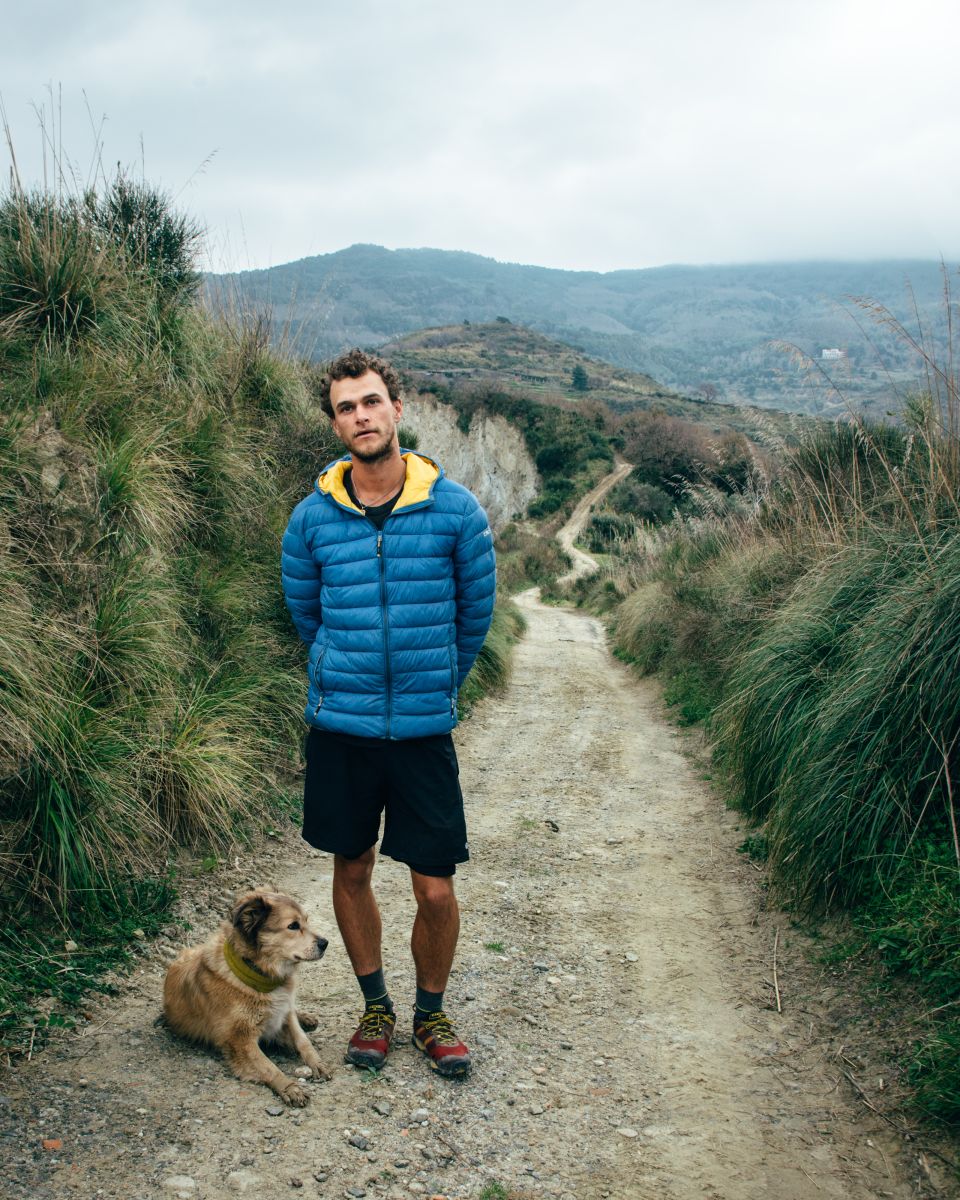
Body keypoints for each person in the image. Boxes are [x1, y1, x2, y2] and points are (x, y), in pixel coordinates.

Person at [281, 348, 496, 1079]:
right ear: (335, 424)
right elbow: (307, 616)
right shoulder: (311, 520)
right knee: (352, 868)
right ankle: (376, 1007)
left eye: (371, 401)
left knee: (434, 886)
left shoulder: (455, 511)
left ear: (397, 409)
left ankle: (431, 1014)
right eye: (346, 407)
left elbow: (473, 618)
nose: (361, 416)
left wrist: (433, 685)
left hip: (421, 733)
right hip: (342, 729)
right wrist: (344, 675)